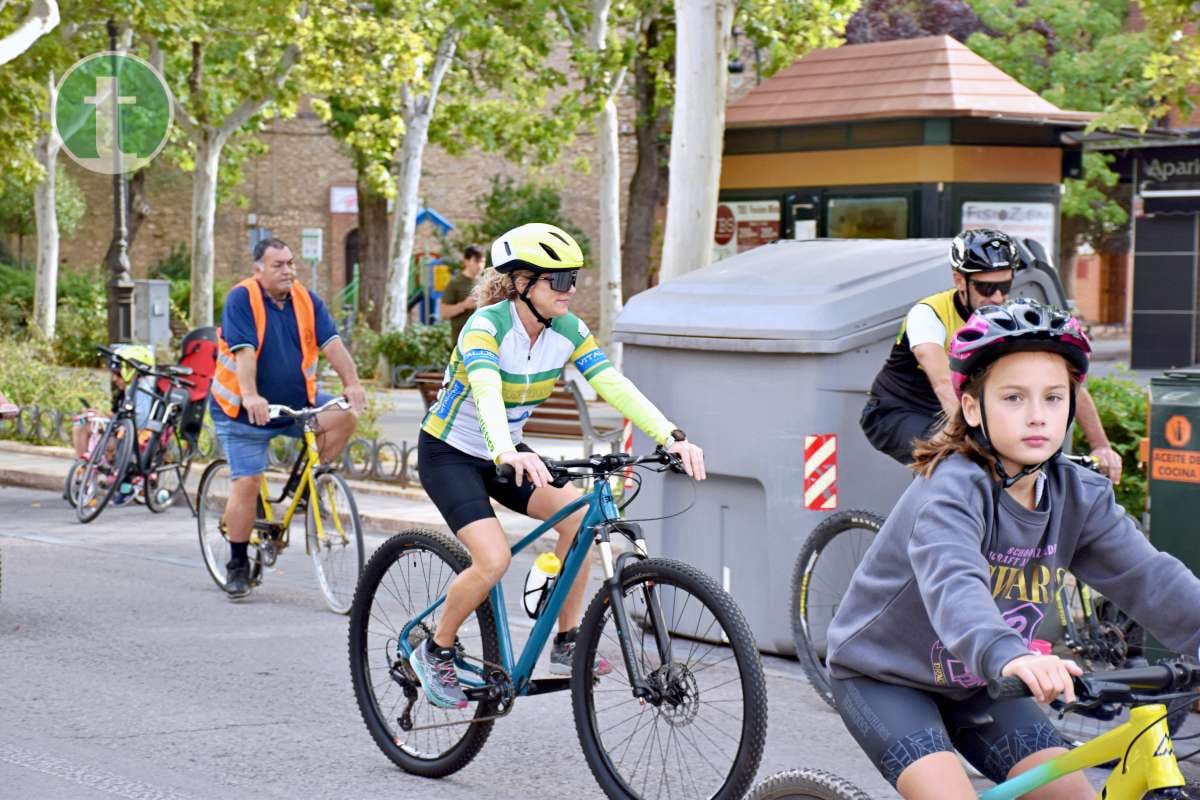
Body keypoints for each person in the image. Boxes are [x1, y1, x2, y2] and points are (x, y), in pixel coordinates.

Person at [825, 299, 1200, 800]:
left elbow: (1149, 577)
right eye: (1014, 398)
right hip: (887, 676)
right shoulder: (951, 488)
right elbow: (954, 581)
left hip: (988, 682)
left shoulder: (1078, 495)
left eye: (1052, 397)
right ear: (974, 407)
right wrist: (1010, 655)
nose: (1037, 417)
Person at [413, 222, 706, 709]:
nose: (571, 290)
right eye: (560, 280)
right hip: (451, 452)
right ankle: (436, 648)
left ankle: (567, 643)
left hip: (510, 452)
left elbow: (613, 385)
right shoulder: (485, 326)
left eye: (574, 278)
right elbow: (485, 392)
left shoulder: (567, 331)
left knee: (581, 520)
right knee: (493, 560)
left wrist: (671, 435)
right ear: (522, 283)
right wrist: (505, 448)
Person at [860, 229, 1122, 483]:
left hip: (963, 411)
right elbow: (942, 383)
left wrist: (1101, 447)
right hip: (897, 412)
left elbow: (1065, 382)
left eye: (1004, 285)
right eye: (986, 288)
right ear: (960, 280)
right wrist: (981, 437)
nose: (997, 297)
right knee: (955, 464)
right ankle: (929, 523)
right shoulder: (928, 314)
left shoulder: (1005, 319)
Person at [210, 238, 367, 599]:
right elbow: (244, 352)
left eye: (291, 263)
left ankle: (313, 481)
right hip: (242, 411)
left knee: (344, 417)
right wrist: (250, 395)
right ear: (258, 269)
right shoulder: (242, 298)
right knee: (247, 484)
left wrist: (353, 384)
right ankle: (236, 564)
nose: (288, 271)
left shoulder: (307, 301)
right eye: (278, 265)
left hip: (297, 404)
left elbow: (333, 345)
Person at [439, 245, 485, 343]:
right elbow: (444, 313)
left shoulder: (485, 282)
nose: (480, 265)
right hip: (461, 340)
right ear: (466, 261)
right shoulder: (455, 283)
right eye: (476, 261)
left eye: (482, 262)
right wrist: (464, 305)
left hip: (482, 338)